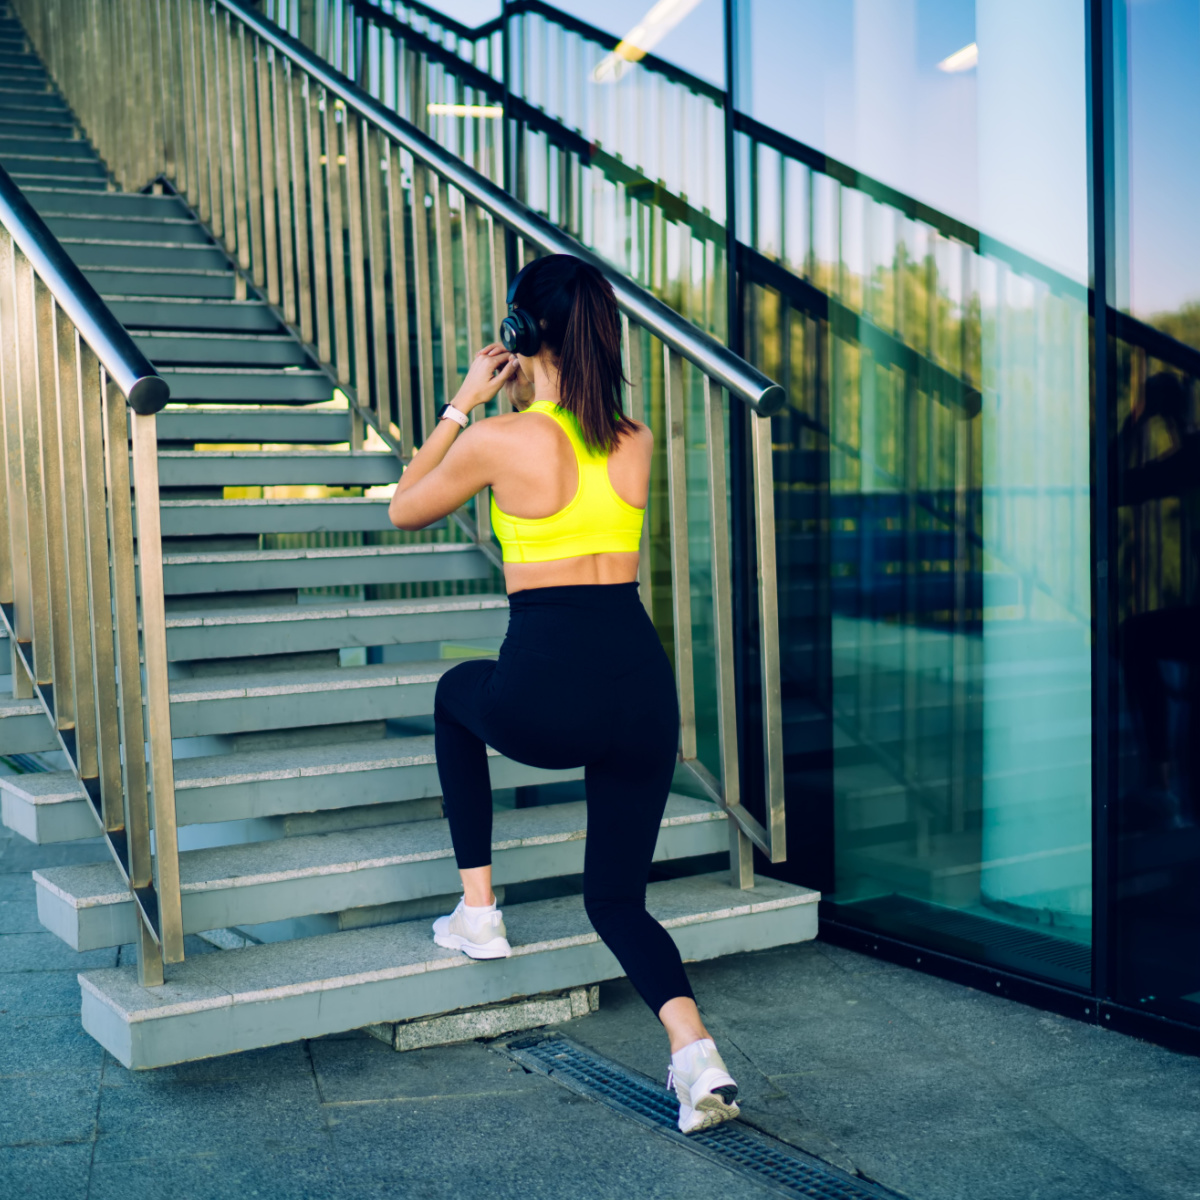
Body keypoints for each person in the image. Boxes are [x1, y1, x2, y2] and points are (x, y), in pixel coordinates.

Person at [388, 253, 740, 1134]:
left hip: (546, 698)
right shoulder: (635, 437)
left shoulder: (498, 439)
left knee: (453, 693)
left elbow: (403, 504)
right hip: (643, 694)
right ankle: (697, 1059)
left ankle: (479, 912)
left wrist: (464, 399)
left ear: (518, 333)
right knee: (616, 897)